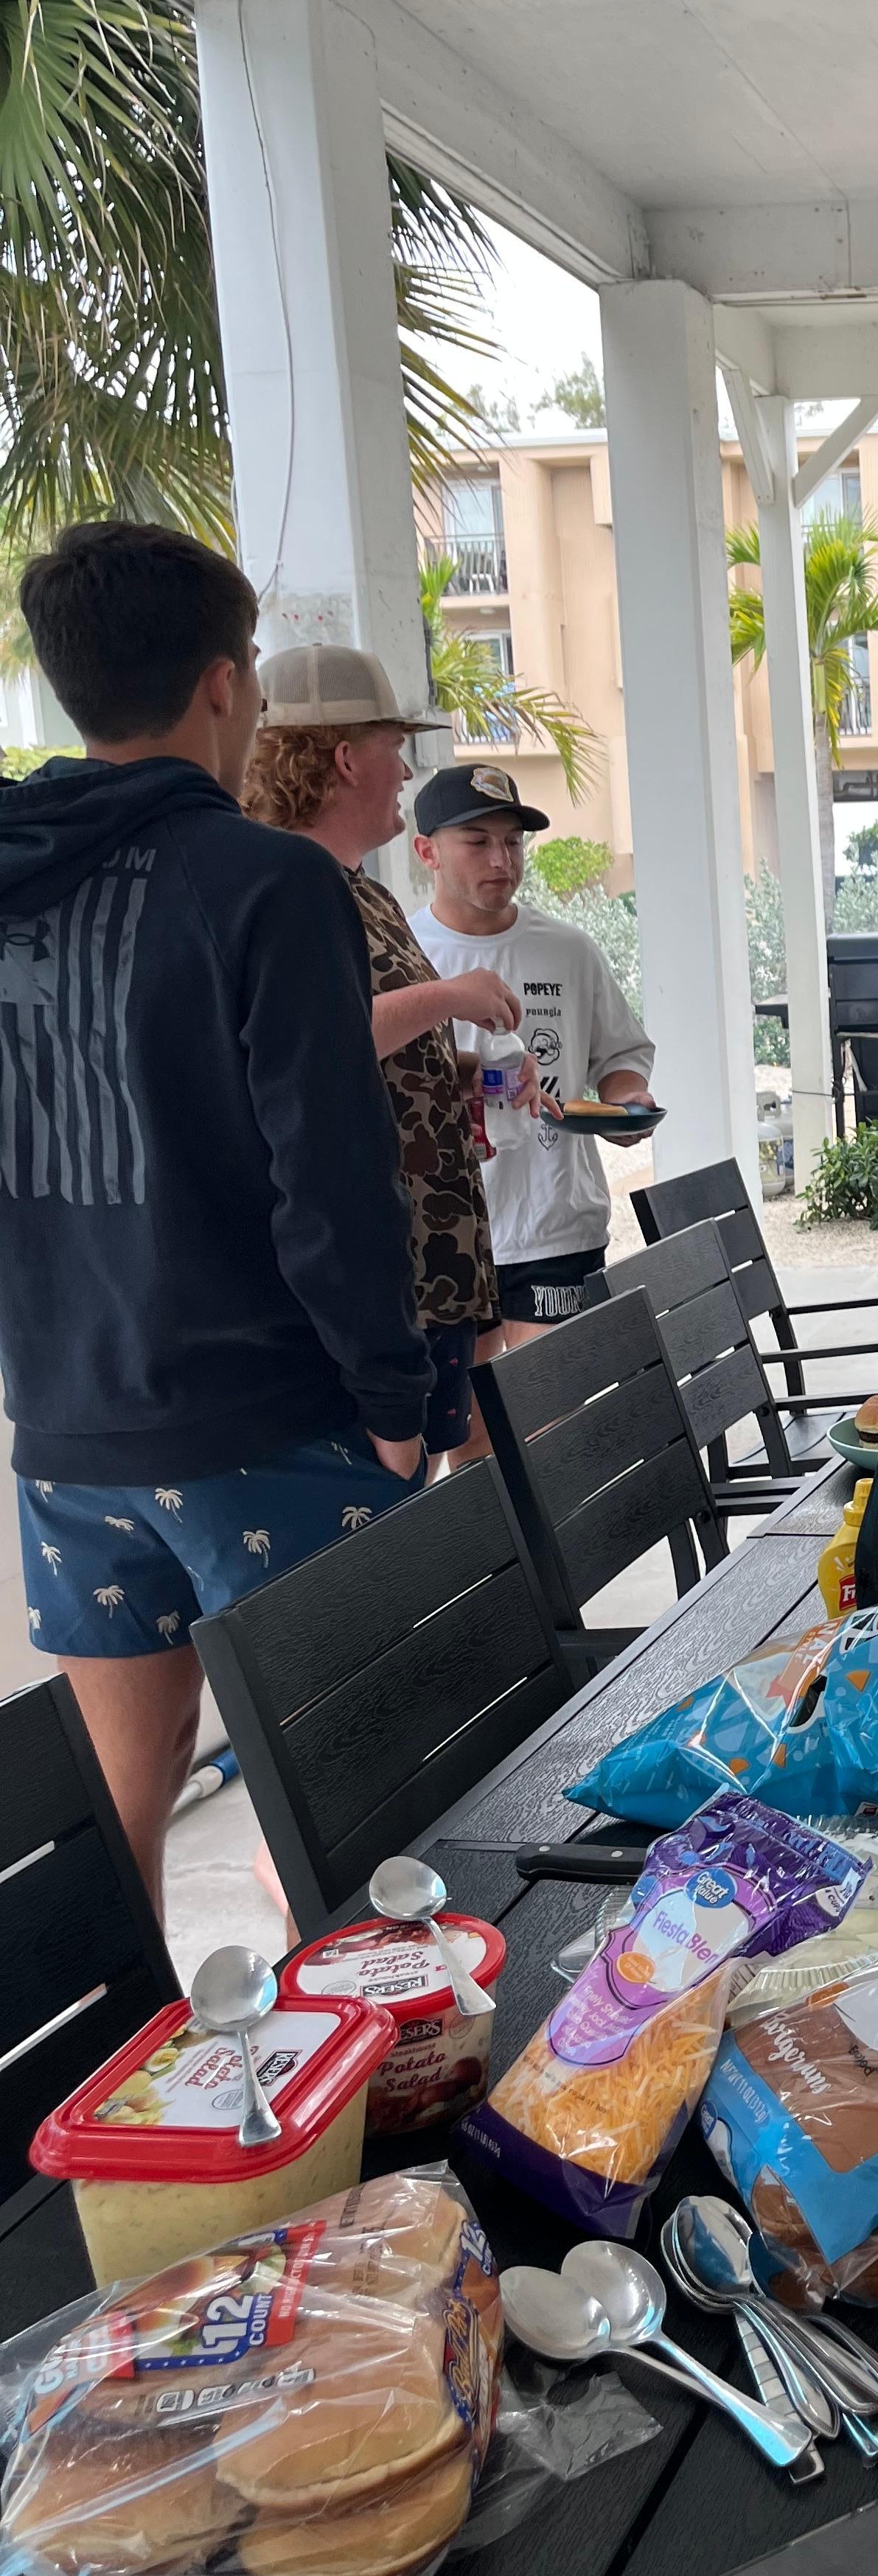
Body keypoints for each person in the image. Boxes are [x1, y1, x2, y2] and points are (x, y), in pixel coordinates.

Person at [0, 525, 430, 1907]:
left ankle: (101, 2106)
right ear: (224, 685)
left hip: (70, 1430)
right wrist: (394, 1392)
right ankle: (359, 2104)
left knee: (124, 1816)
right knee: (363, 1812)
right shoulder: (263, 881)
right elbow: (330, 1167)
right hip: (268, 1426)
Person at [242, 648, 512, 1466]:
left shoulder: (363, 886)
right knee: (386, 1527)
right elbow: (314, 1046)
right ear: (345, 757)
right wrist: (450, 998)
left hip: (435, 1261)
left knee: (449, 1494)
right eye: (395, 744)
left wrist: (466, 1072)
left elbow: (376, 1053)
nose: (406, 769)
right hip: (374, 1282)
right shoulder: (280, 889)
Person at [408, 763, 655, 1345]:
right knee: (469, 1431)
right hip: (442, 1230)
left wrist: (626, 1102)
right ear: (427, 852)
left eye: (512, 843)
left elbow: (621, 1054)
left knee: (550, 1420)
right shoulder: (404, 953)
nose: (501, 860)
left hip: (556, 1226)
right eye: (477, 842)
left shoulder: (569, 950)